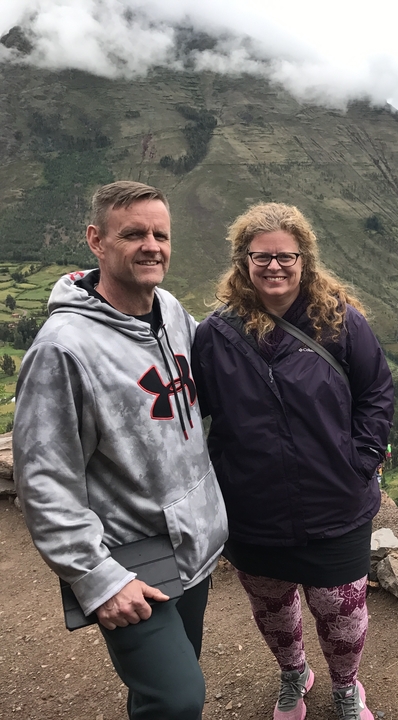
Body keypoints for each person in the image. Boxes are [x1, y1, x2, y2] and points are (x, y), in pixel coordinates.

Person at [13, 181, 228, 719]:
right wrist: (99, 580)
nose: (151, 245)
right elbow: (44, 481)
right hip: (129, 559)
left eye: (160, 234)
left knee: (164, 689)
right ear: (97, 240)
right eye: (133, 234)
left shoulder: (171, 311)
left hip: (195, 544)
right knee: (178, 700)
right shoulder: (64, 348)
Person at [192, 202, 394, 720]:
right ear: (243, 261)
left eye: (286, 255)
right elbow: (198, 412)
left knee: (340, 609)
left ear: (304, 259)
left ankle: (346, 686)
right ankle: (292, 673)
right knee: (272, 605)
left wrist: (362, 458)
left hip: (336, 498)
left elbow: (376, 391)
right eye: (261, 256)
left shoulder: (339, 321)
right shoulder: (216, 336)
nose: (274, 266)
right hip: (254, 505)